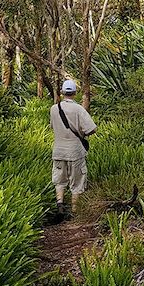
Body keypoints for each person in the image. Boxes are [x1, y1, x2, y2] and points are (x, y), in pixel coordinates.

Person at [50, 79, 96, 217]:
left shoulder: (54, 109)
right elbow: (92, 129)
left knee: (59, 180)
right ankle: (75, 211)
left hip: (58, 151)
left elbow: (53, 127)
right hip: (75, 152)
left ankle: (60, 204)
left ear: (62, 92)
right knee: (77, 182)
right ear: (75, 93)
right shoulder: (78, 109)